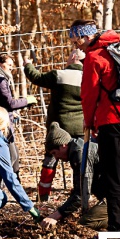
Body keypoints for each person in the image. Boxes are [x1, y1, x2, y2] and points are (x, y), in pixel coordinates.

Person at [70, 19, 120, 239]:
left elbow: (89, 95)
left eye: (76, 42)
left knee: (113, 175)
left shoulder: (94, 58)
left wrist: (89, 122)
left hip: (111, 120)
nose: (77, 47)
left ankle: (118, 228)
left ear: (85, 37)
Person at [40, 122, 120, 234]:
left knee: (86, 222)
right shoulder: (78, 149)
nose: (56, 158)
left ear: (63, 145)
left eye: (55, 153)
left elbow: (80, 195)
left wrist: (55, 216)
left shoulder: (81, 154)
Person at [24, 49, 85, 201]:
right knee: (79, 161)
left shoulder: (59, 75)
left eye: (69, 54)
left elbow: (37, 78)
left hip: (58, 128)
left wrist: (28, 65)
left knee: (50, 159)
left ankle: (42, 196)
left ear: (73, 58)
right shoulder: (90, 78)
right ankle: (79, 195)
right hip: (81, 128)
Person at [0, 53, 37, 178]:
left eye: (12, 65)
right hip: (1, 122)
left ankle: (7, 183)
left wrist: (10, 113)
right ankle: (10, 185)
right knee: (11, 157)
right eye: (9, 65)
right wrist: (28, 100)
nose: (11, 68)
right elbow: (10, 102)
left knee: (6, 155)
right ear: (0, 64)